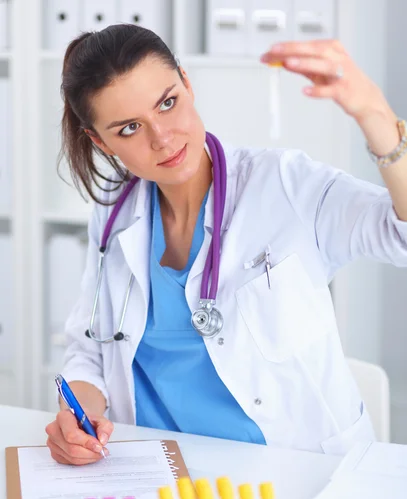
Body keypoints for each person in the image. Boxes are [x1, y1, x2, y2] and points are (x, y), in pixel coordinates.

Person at [45, 24, 407, 465]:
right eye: (129, 128)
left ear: (187, 83)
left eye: (167, 102)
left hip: (300, 472)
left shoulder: (285, 185)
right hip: (164, 475)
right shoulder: (113, 215)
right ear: (100, 141)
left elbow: (399, 235)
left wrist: (373, 113)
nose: (162, 137)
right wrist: (80, 416)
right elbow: (90, 348)